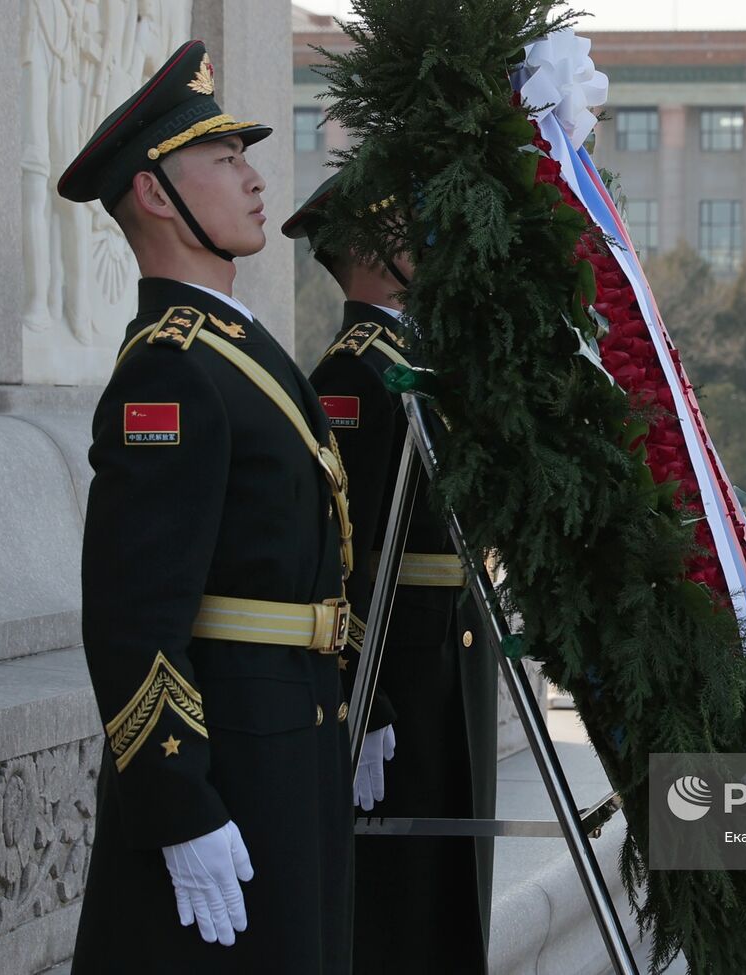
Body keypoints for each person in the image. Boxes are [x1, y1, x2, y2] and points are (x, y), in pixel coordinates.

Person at [60, 41, 356, 974]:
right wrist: (177, 802)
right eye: (225, 160)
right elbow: (132, 616)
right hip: (232, 751)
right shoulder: (171, 368)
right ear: (155, 194)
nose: (255, 180)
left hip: (290, 733)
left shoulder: (231, 346)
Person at [283, 174, 498, 973]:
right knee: (402, 895)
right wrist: (363, 696)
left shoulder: (413, 356)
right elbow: (341, 550)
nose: (427, 246)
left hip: (449, 650)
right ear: (374, 251)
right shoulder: (351, 375)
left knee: (450, 883)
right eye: (410, 231)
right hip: (401, 665)